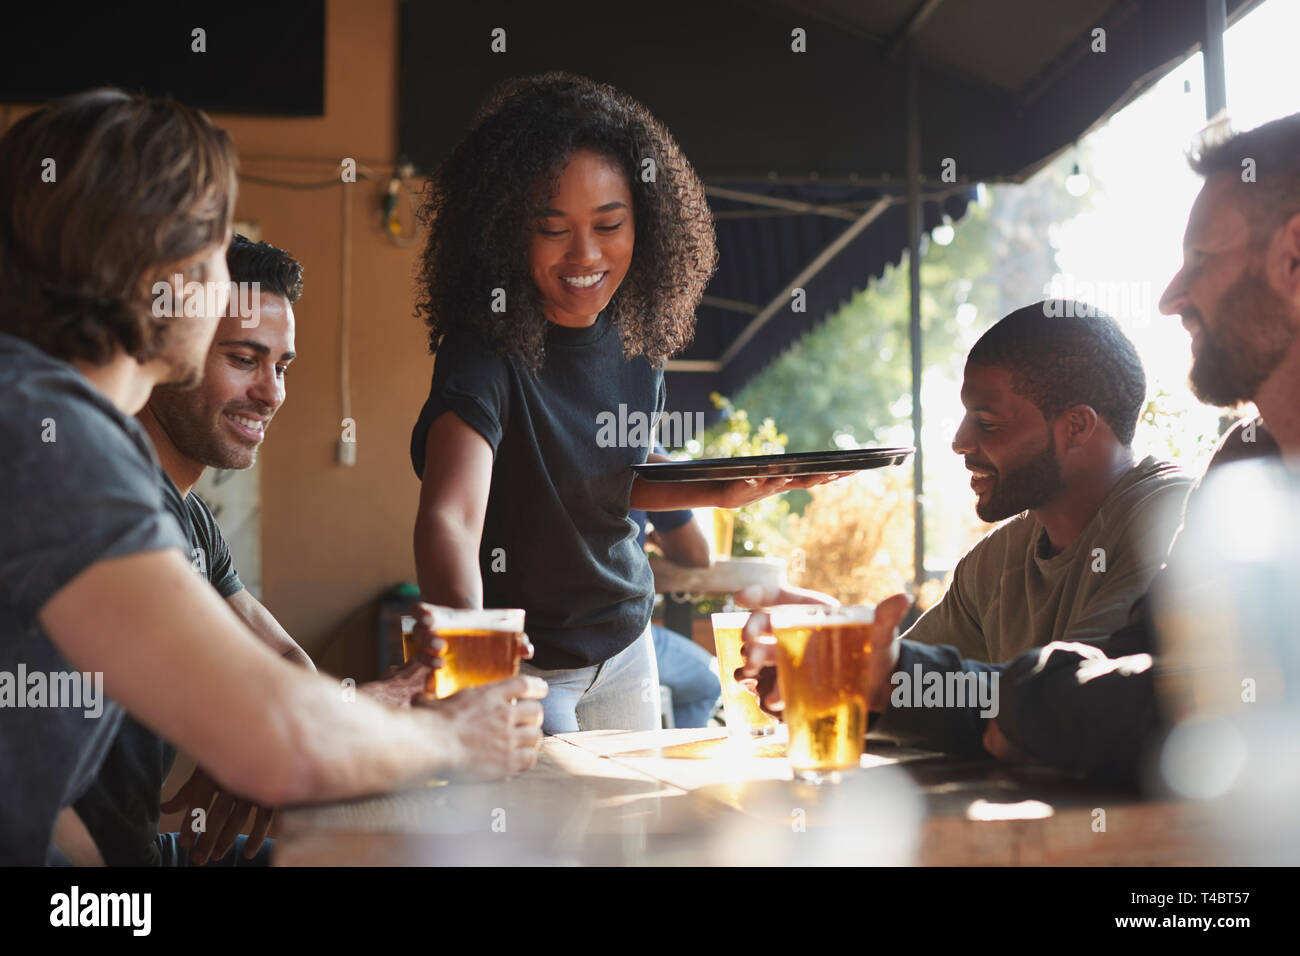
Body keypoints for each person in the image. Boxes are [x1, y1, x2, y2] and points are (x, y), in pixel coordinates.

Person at [0, 89, 545, 867]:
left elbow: (49, 820)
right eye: (216, 249)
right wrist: (450, 734)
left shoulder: (43, 417)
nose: (225, 280)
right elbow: (275, 742)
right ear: (165, 263)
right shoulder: (51, 437)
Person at [740, 112, 1300, 785]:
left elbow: (1156, 706)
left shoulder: (1171, 504)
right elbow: (1135, 675)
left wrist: (1012, 708)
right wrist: (884, 671)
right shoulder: (1247, 461)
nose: (1170, 296)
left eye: (1202, 259)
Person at [410, 73, 834, 735]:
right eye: (552, 229)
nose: (585, 255)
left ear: (648, 222)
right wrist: (473, 653)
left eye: (609, 225)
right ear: (502, 232)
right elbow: (450, 518)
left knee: (629, 838)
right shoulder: (484, 350)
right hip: (525, 671)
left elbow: (610, 479)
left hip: (626, 646)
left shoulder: (639, 339)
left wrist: (716, 489)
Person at [899, 301, 1190, 662]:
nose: (960, 442)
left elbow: (1071, 695)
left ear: (1076, 426)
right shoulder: (993, 562)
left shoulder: (1173, 518)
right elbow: (892, 688)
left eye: (987, 423)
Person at [632, 490, 722, 728]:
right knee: (710, 681)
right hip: (622, 633)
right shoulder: (639, 452)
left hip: (537, 632)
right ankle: (682, 761)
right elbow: (698, 554)